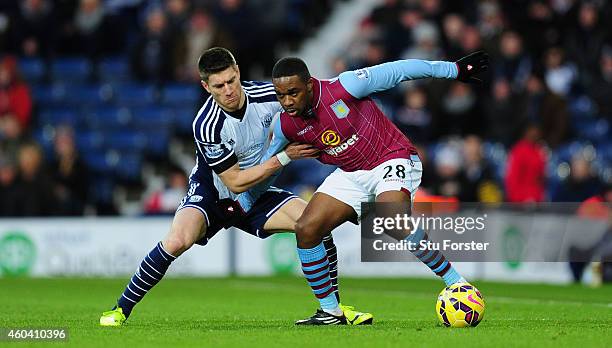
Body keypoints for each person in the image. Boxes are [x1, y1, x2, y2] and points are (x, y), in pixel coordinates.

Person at [100, 47, 372, 326]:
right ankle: (120, 309)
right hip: (212, 192)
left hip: (257, 191)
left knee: (316, 225)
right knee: (177, 241)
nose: (228, 90)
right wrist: (284, 157)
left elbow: (311, 104)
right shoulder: (207, 125)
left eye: (231, 80)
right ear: (206, 86)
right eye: (219, 85)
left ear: (238, 71)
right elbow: (234, 181)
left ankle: (333, 309)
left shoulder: (270, 96)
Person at [251, 51, 488, 324]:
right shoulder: (285, 125)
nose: (288, 101)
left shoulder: (346, 86)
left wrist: (453, 70)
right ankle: (330, 311)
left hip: (391, 155)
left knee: (392, 220)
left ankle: (456, 282)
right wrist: (244, 201)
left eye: (293, 92)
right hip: (352, 173)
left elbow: (400, 70)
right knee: (306, 228)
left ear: (309, 84)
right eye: (281, 95)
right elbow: (266, 167)